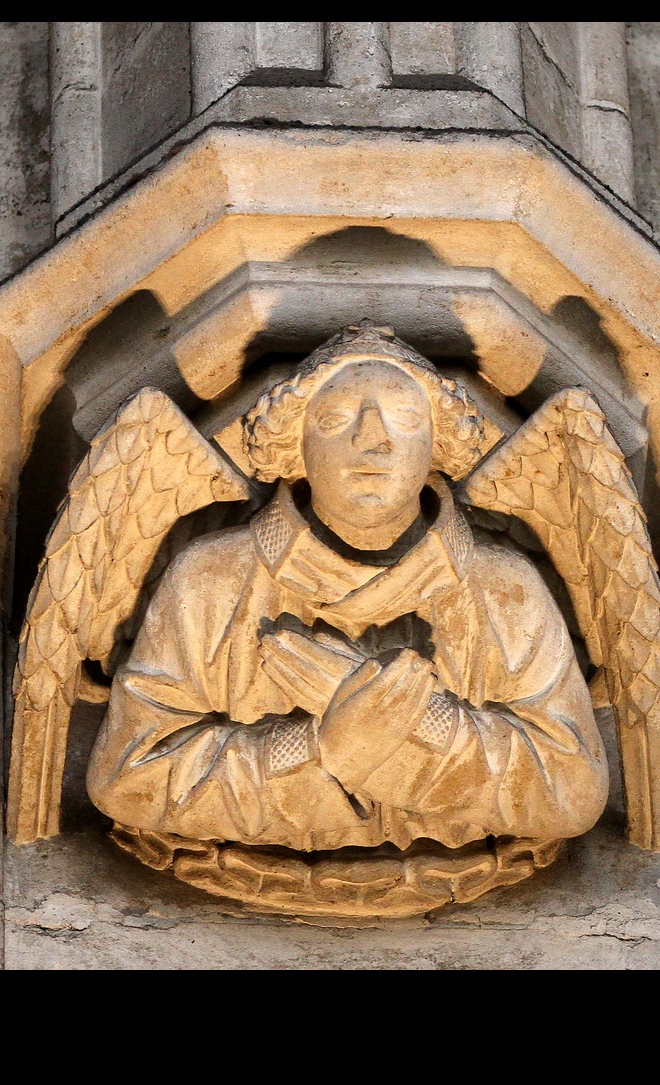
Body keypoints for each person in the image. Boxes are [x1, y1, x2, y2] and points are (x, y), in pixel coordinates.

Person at [87, 326, 608, 853]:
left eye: (406, 420)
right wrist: (317, 748)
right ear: (295, 445)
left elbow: (573, 794)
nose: (373, 441)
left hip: (470, 875)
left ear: (438, 445)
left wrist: (419, 725)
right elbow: (126, 780)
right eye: (335, 420)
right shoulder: (211, 578)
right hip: (238, 878)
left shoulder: (504, 586)